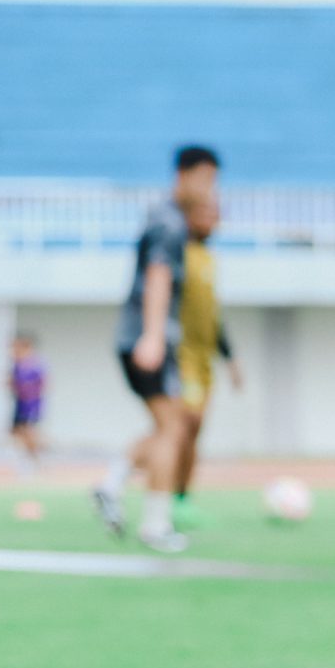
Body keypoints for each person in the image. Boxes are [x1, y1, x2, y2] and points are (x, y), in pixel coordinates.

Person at [93, 146, 220, 553]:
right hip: (149, 338)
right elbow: (158, 276)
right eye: (207, 180)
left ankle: (111, 483)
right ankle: (155, 524)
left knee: (173, 426)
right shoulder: (168, 222)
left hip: (149, 337)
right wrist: (152, 335)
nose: (209, 191)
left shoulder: (169, 219)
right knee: (173, 429)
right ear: (186, 175)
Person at [169, 192, 243, 527]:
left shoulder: (209, 258)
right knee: (184, 425)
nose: (214, 218)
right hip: (180, 356)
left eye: (217, 212)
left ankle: (183, 498)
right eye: (206, 211)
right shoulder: (176, 254)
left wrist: (230, 358)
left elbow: (213, 316)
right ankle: (163, 492)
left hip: (204, 360)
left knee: (194, 432)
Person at [5, 331, 47, 468]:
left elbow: (42, 383)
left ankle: (38, 457)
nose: (13, 350)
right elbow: (12, 383)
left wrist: (30, 394)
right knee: (16, 431)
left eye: (17, 347)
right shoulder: (17, 365)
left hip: (30, 403)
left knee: (28, 431)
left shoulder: (34, 365)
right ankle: (31, 457)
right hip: (20, 402)